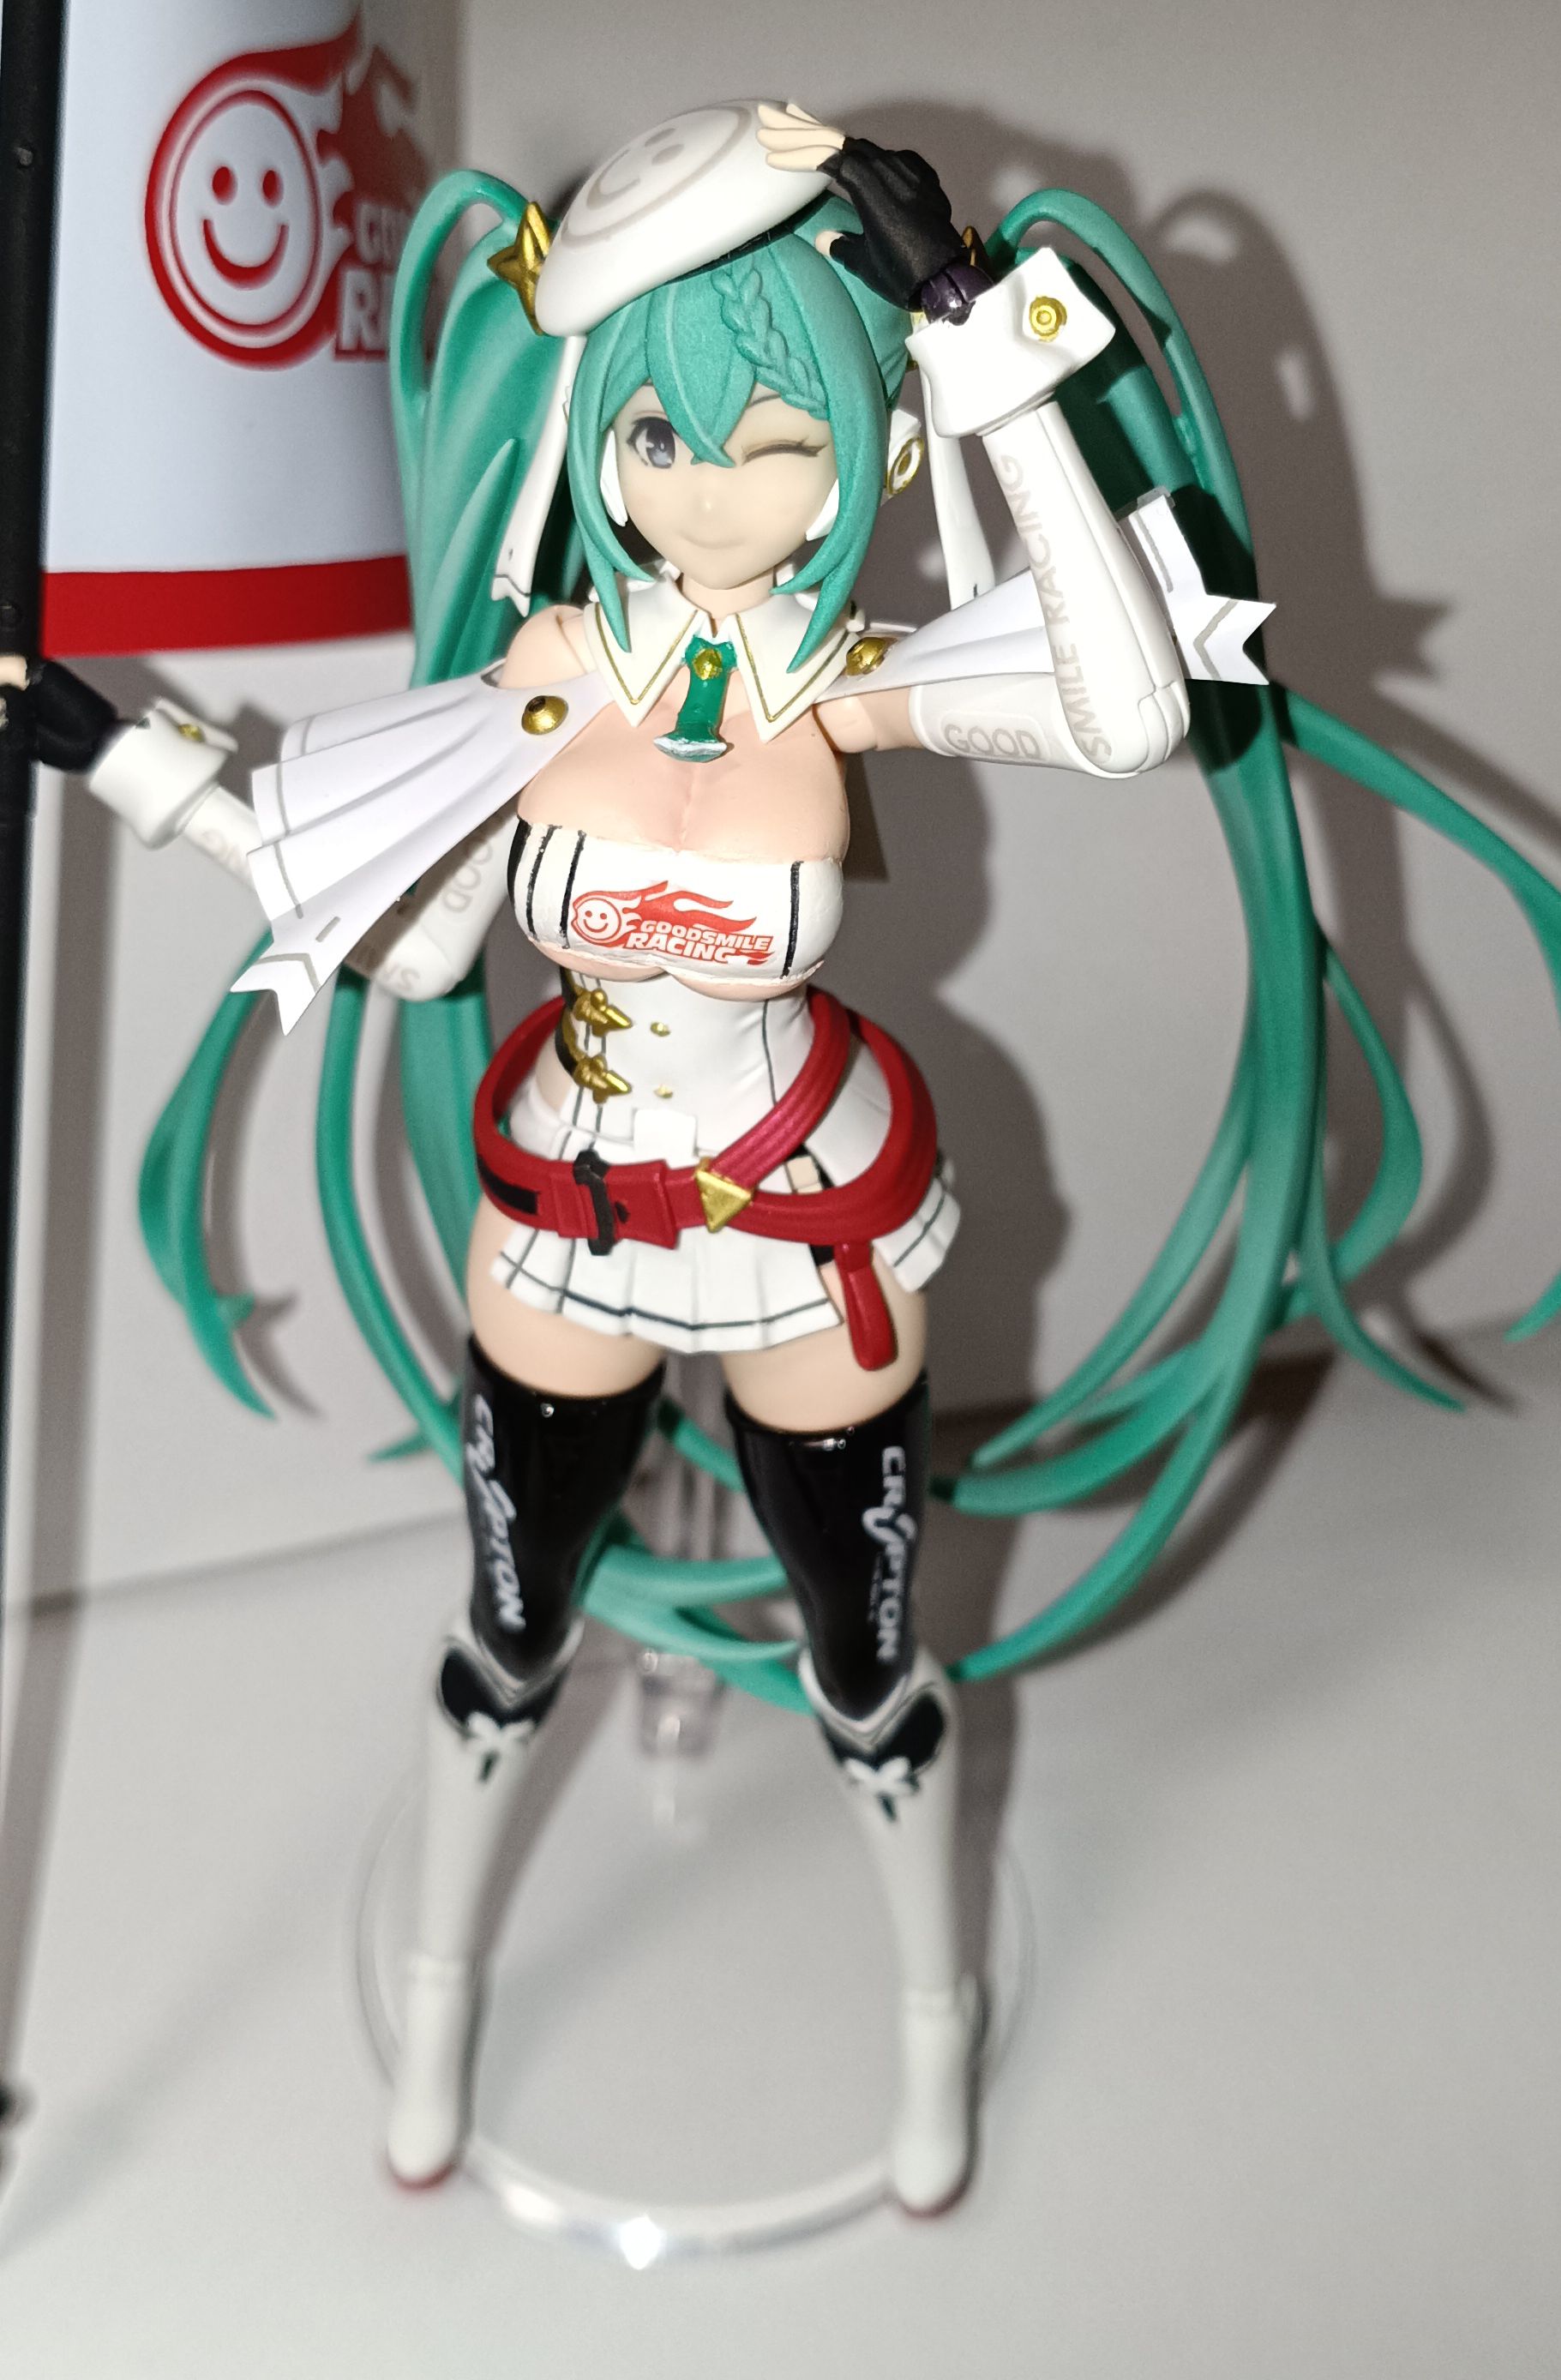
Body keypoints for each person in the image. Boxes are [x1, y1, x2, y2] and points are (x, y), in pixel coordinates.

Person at [15, 99, 1559, 2219]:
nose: (704, 488)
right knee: (506, 1636)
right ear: (597, 433)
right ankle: (443, 1989)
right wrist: (125, 756)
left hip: (808, 1222)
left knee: (860, 1664)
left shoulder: (841, 681)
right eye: (660, 433)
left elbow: (1124, 703)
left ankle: (930, 2012)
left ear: (864, 460)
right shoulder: (556, 665)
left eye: (774, 441)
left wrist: (974, 331)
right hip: (562, 1215)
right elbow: (403, 923)